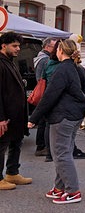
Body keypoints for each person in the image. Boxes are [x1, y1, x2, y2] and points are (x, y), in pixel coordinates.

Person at [28, 39, 85, 204]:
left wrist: (33, 118)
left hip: (63, 116)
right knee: (64, 153)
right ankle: (59, 187)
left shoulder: (62, 69)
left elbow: (50, 95)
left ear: (59, 51)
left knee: (61, 154)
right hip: (74, 115)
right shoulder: (77, 68)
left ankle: (73, 191)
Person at [0, 32, 33, 190]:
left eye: (19, 46)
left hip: (17, 115)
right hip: (5, 115)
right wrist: (0, 118)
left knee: (16, 142)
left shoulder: (10, 61)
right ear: (3, 45)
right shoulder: (0, 63)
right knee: (1, 145)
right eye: (14, 46)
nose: (18, 49)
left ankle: (12, 172)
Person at [32, 37, 56, 157]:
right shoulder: (45, 59)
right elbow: (43, 78)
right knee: (43, 122)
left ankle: (41, 146)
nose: (56, 49)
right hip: (45, 93)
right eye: (54, 46)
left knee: (42, 120)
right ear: (47, 47)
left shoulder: (40, 57)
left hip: (43, 92)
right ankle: (41, 146)